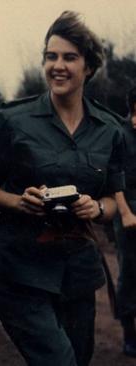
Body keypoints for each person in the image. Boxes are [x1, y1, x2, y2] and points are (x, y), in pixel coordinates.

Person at [0, 11, 125, 366]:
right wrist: (18, 201)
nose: (57, 66)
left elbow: (113, 199)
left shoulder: (110, 129)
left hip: (77, 272)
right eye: (51, 56)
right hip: (19, 269)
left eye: (69, 57)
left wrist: (97, 208)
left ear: (89, 67)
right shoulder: (14, 120)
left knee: (78, 359)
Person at [114, 85, 136, 357]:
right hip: (128, 210)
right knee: (130, 272)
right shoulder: (119, 133)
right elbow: (113, 176)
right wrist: (126, 213)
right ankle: (130, 335)